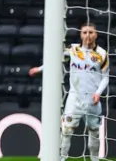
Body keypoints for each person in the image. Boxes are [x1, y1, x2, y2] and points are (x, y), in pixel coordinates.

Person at [29, 22, 108, 161]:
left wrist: (98, 93)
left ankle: (95, 159)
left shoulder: (102, 54)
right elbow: (54, 60)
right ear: (80, 34)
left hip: (93, 100)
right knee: (66, 131)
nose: (87, 35)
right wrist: (39, 69)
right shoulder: (73, 49)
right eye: (85, 32)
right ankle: (62, 159)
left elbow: (106, 77)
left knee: (94, 132)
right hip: (74, 98)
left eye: (91, 32)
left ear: (96, 34)